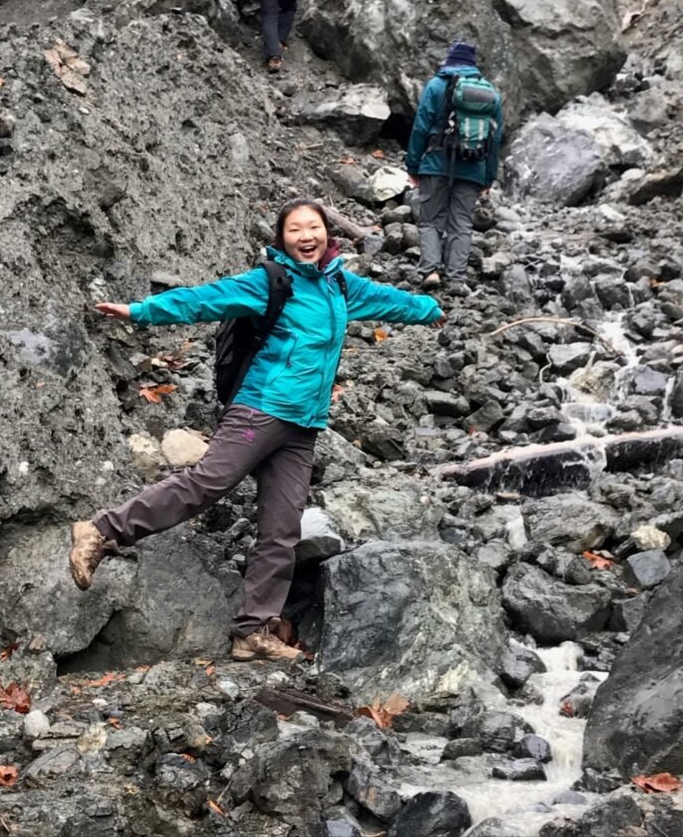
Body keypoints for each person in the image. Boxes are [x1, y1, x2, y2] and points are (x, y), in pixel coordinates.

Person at [69, 198, 445, 662]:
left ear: (328, 235)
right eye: (295, 230)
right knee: (207, 483)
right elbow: (203, 299)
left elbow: (391, 301)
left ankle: (252, 631)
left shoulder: (342, 286)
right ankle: (101, 530)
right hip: (261, 411)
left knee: (281, 528)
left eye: (314, 228)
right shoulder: (270, 282)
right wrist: (141, 311)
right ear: (281, 239)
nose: (306, 236)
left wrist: (430, 308)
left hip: (303, 426)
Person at [405, 41, 504, 298]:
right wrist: (489, 175)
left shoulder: (436, 86)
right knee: (461, 223)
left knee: (429, 220)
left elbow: (420, 127)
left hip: (435, 164)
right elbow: (495, 139)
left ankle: (430, 271)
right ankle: (456, 280)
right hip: (473, 168)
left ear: (449, 61)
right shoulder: (489, 93)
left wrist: (413, 165)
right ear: (473, 64)